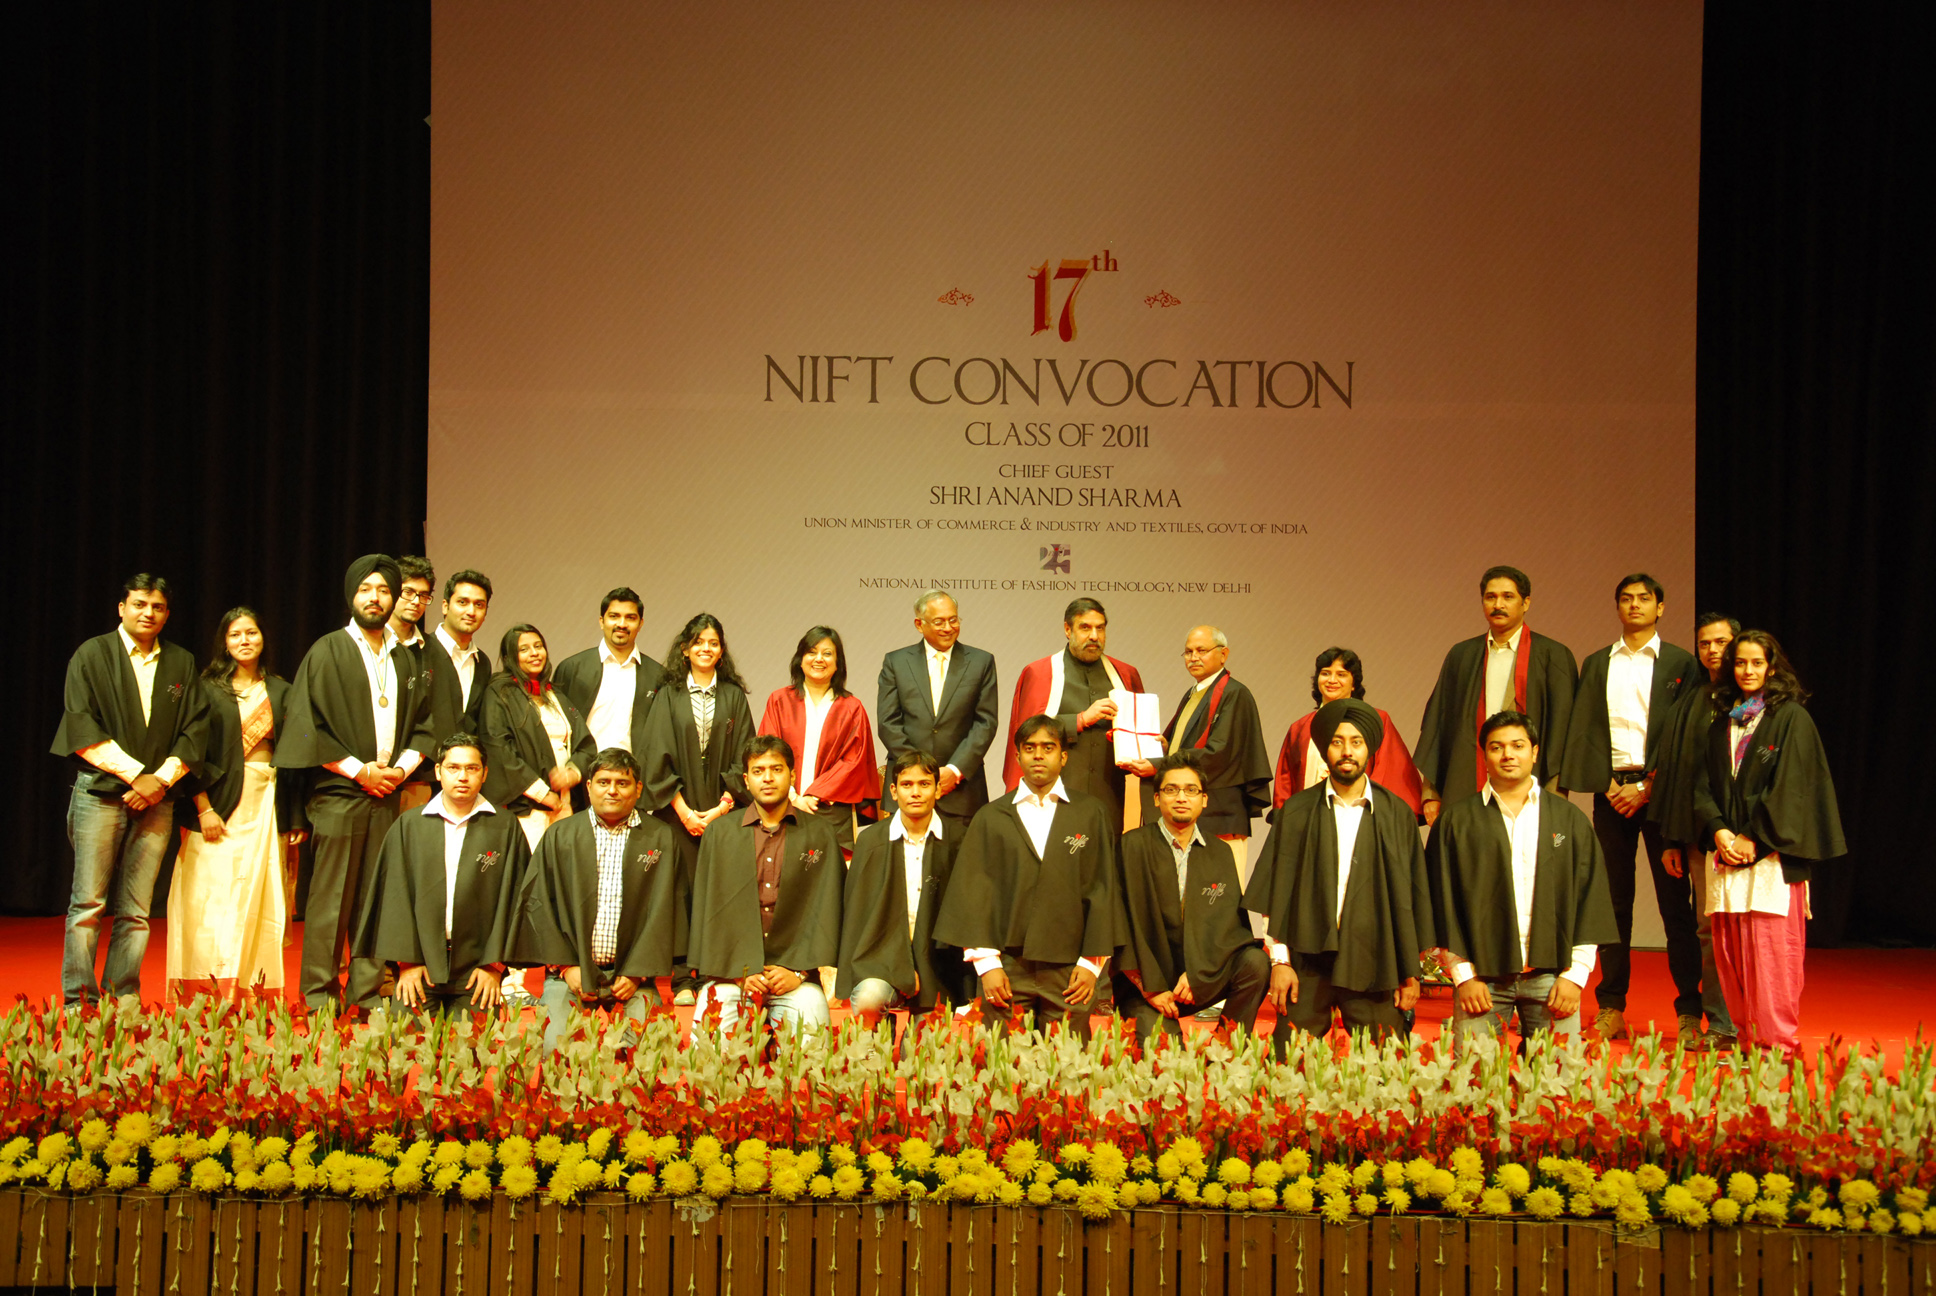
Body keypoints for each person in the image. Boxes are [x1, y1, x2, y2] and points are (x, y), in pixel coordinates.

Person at [276, 554, 435, 1013]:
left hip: (387, 793)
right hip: (340, 793)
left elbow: (425, 723)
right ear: (352, 596)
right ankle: (319, 998)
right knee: (331, 901)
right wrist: (358, 770)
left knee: (374, 901)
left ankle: (365, 996)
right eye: (366, 589)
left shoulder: (405, 658)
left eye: (384, 590)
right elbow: (307, 726)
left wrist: (399, 771)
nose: (375, 598)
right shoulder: (327, 650)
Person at [1557, 573, 1704, 1044]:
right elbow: (1585, 731)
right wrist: (1608, 786)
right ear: (1617, 607)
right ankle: (1611, 1007)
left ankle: (1690, 1011)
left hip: (1662, 794)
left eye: (1644, 599)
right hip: (1611, 793)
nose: (1635, 605)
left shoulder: (1681, 663)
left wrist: (1647, 786)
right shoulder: (1598, 662)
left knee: (1675, 904)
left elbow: (1686, 734)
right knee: (1612, 904)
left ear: (1660, 607)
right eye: (1626, 599)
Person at [51, 574, 210, 1006]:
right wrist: (137, 775)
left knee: (137, 911)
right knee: (88, 904)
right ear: (122, 608)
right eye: (139, 604)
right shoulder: (92, 654)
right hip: (100, 794)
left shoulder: (180, 662)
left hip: (158, 798)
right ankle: (79, 1002)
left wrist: (159, 781)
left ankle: (122, 996)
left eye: (157, 607)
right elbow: (80, 725)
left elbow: (196, 729)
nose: (148, 613)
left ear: (167, 614)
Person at [1691, 631, 1844, 1058]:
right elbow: (1702, 784)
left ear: (1772, 668)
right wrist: (1719, 830)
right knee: (1732, 956)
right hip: (1726, 855)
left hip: (1770, 858)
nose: (1748, 671)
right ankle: (1746, 1042)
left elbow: (1792, 786)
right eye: (1740, 663)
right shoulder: (1722, 721)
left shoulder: (1791, 718)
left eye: (1756, 663)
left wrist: (1752, 837)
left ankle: (1775, 1048)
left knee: (1770, 958)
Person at [1244, 699, 1431, 1046]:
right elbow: (1276, 891)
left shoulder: (1397, 815)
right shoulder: (1297, 811)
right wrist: (1281, 962)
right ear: (1324, 749)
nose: (1347, 751)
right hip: (1308, 961)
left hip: (1374, 961)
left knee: (1386, 1065)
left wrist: (1409, 971)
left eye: (1356, 742)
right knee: (1287, 1062)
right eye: (1337, 742)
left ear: (1369, 749)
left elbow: (1411, 899)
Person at [1427, 711, 1618, 1051]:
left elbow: (1591, 898)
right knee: (1473, 1078)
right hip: (1481, 980)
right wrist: (1464, 976)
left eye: (1518, 745)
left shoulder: (1568, 820)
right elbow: (1442, 901)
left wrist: (1574, 977)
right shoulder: (1457, 820)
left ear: (1534, 751)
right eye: (1496, 747)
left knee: (1559, 1080)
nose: (1508, 755)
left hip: (1553, 978)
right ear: (1484, 755)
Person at [933, 715, 1122, 1037]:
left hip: (1070, 971)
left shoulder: (1091, 813)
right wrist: (987, 966)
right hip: (1006, 969)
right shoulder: (990, 817)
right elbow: (974, 894)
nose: (1038, 755)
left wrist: (1091, 965)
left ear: (1063, 756)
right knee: (1004, 1064)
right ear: (1018, 756)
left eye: (1048, 747)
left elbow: (1103, 889)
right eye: (1030, 747)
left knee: (1068, 1065)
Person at [167, 608, 308, 999]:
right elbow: (191, 752)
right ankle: (207, 994)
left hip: (267, 804)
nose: (244, 640)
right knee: (212, 898)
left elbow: (296, 759)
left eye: (251, 632)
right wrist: (204, 808)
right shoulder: (207, 689)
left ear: (263, 638)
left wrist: (295, 817)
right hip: (219, 804)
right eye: (235, 634)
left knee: (260, 900)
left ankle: (253, 992)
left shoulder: (281, 691)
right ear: (224, 642)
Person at [516, 748, 687, 1050]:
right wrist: (567, 967)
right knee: (556, 1050)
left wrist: (637, 972)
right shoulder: (561, 835)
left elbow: (669, 908)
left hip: (634, 975)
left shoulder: (661, 838)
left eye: (622, 783)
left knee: (651, 1053)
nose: (612, 790)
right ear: (589, 786)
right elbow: (539, 903)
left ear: (638, 789)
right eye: (603, 782)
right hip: (571, 972)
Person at [355, 734, 530, 1020]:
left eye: (472, 768)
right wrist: (406, 963)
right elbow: (393, 895)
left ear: (485, 773)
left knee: (475, 1045)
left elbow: (517, 899)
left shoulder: (504, 827)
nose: (462, 777)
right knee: (408, 1044)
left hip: (478, 968)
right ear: (438, 771)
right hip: (420, 964)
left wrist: (495, 966)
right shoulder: (410, 825)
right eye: (453, 768)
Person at [687, 735, 844, 1034]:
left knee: (812, 1050)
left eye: (776, 769)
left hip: (795, 978)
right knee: (708, 1051)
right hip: (732, 978)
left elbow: (828, 909)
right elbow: (709, 913)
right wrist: (739, 973)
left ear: (792, 776)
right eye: (758, 771)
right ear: (746, 780)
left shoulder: (820, 833)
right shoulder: (719, 834)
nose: (768, 778)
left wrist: (799, 972)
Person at [1116, 751, 1272, 1043]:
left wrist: (1199, 974)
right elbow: (1120, 923)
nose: (1181, 798)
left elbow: (1230, 928)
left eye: (1191, 790)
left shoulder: (1220, 852)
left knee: (1255, 963)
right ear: (1156, 798)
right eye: (1171, 790)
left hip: (1199, 978)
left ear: (1204, 799)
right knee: (1166, 1057)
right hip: (1147, 984)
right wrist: (1150, 987)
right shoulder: (1131, 846)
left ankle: (1224, 1049)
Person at [1646, 612, 1743, 1048]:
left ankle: (1752, 1023)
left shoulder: (1752, 700)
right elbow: (1675, 772)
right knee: (1708, 931)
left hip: (1750, 838)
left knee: (1748, 933)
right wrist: (1671, 839)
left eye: (1721, 642)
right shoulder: (1691, 700)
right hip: (1701, 838)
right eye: (1705, 643)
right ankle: (1720, 1024)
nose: (1713, 650)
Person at [1416, 566, 1578, 823]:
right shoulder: (1462, 655)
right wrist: (1431, 793)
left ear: (1526, 603)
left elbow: (1563, 732)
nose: (1498, 605)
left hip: (1531, 776)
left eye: (1508, 597)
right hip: (1468, 775)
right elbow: (1439, 724)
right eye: (1490, 597)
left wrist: (1556, 792)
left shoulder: (1554, 656)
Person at [836, 750, 971, 1022]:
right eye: (907, 784)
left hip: (938, 967)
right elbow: (856, 913)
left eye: (924, 784)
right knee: (870, 998)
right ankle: (881, 1026)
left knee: (926, 1047)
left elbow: (967, 914)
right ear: (894, 792)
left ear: (938, 790)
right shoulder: (871, 841)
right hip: (881, 960)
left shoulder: (959, 839)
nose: (916, 792)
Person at [1003, 598, 1147, 835]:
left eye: (1100, 628)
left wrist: (1153, 746)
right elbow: (1026, 735)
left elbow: (1139, 732)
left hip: (1110, 793)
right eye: (1085, 627)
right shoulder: (1039, 673)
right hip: (1055, 791)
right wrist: (1080, 719)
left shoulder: (1126, 674)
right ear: (1067, 629)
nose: (1094, 636)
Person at [1138, 626, 1271, 868]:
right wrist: (1168, 747)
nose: (1194, 657)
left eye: (1201, 650)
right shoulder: (1194, 692)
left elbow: (1219, 752)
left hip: (1220, 812)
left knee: (1217, 887)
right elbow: (1189, 746)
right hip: (1197, 811)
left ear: (1223, 654)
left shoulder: (1235, 693)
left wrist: (1158, 765)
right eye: (1188, 652)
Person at [875, 589, 1000, 838]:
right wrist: (920, 773)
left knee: (961, 860)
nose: (948, 627)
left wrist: (955, 770)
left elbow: (985, 722)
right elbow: (888, 722)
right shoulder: (896, 662)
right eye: (939, 622)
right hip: (909, 789)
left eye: (953, 620)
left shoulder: (981, 661)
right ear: (919, 624)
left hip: (961, 790)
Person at [759, 626, 877, 856]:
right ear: (800, 660)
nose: (819, 659)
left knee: (831, 872)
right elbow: (768, 752)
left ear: (838, 663)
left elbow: (853, 761)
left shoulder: (851, 708)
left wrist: (814, 796)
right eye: (811, 652)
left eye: (827, 653)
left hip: (832, 809)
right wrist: (793, 797)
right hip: (783, 804)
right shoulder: (779, 701)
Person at [480, 623, 597, 849]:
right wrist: (544, 795)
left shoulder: (554, 694)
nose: (534, 653)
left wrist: (573, 773)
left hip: (565, 805)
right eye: (524, 649)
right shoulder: (500, 693)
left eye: (538, 646)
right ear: (510, 658)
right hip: (527, 809)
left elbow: (586, 746)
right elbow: (500, 750)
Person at [1272, 648, 1425, 817]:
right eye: (1325, 673)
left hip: (1360, 815)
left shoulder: (1376, 720)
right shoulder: (1300, 728)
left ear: (1354, 683)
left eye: (1341, 674)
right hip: (1309, 817)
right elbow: (1286, 781)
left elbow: (1390, 771)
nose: (1332, 680)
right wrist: (1284, 818)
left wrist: (1371, 814)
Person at [403, 569, 494, 813]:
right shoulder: (418, 651)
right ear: (445, 606)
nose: (471, 611)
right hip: (418, 780)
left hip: (463, 784)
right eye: (462, 602)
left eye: (479, 605)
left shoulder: (482, 662)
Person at [552, 588, 667, 757]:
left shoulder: (658, 675)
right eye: (614, 616)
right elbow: (555, 726)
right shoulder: (572, 669)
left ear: (641, 624)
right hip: (583, 769)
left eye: (630, 618)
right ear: (601, 621)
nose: (622, 624)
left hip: (634, 771)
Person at [387, 555, 435, 650]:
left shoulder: (433, 648)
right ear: (391, 591)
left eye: (423, 595)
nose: (416, 602)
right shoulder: (369, 640)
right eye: (408, 592)